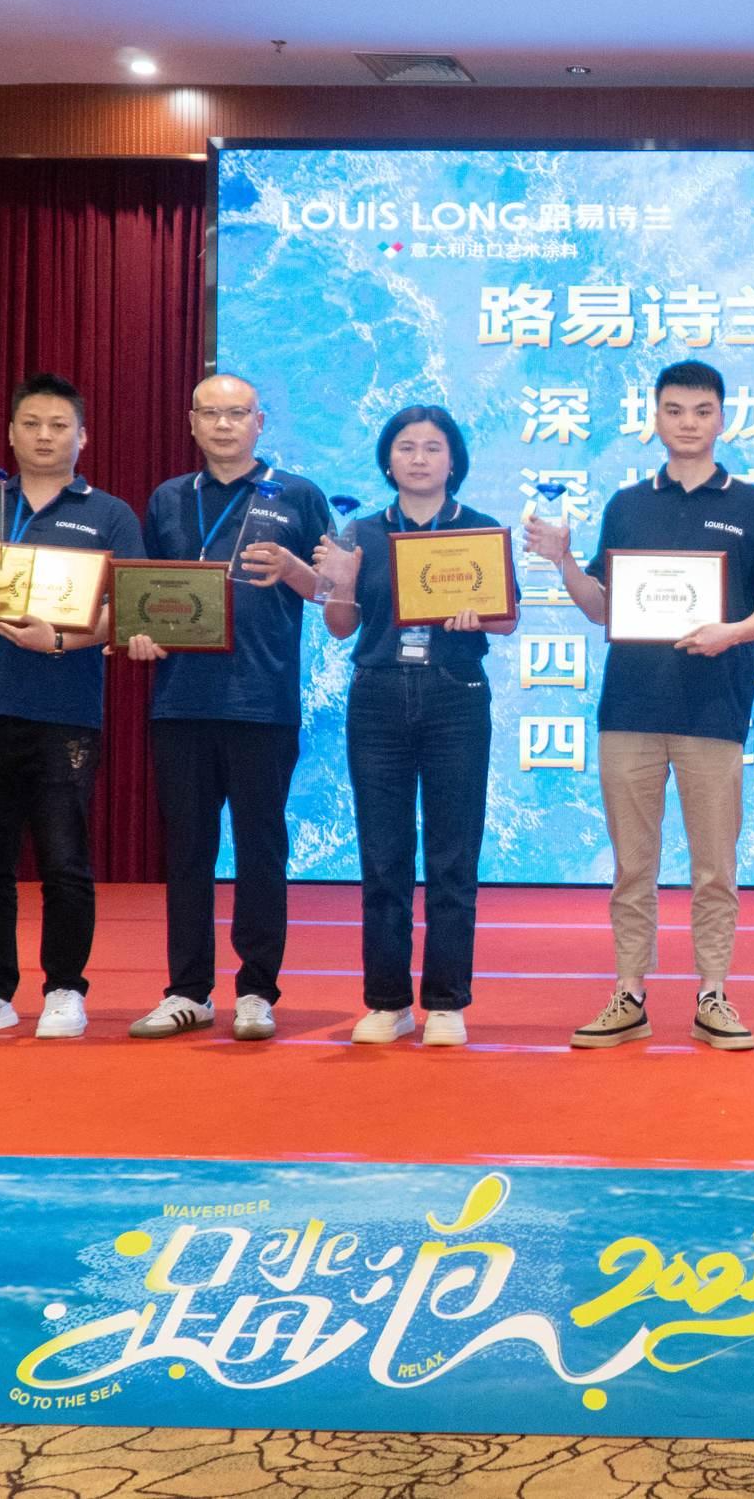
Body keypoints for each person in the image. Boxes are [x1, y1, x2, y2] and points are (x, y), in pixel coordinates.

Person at [525, 360, 754, 1052]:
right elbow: (603, 609)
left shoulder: (753, 507)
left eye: (701, 411)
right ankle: (630, 993)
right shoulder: (627, 505)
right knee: (632, 866)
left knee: (715, 868)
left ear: (722, 419)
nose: (687, 422)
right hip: (630, 710)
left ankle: (713, 994)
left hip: (714, 710)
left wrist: (729, 632)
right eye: (674, 410)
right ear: (655, 417)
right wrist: (564, 563)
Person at [0, 372, 145, 1040]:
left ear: (83, 437)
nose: (45, 436)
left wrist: (62, 640)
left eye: (58, 425)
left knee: (64, 860)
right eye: (31, 424)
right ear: (12, 433)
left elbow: (129, 611)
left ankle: (65, 989)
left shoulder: (109, 514)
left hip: (64, 709)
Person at [125, 374, 331, 1045]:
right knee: (187, 850)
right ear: (191, 422)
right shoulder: (168, 498)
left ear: (259, 422)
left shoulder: (298, 494)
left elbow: (335, 595)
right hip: (180, 699)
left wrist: (294, 568)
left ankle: (256, 991)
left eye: (236, 413)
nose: (223, 424)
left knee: (261, 848)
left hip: (262, 700)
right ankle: (187, 991)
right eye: (210, 413)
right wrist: (140, 632)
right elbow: (144, 592)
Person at [312, 405, 516, 1047]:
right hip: (377, 696)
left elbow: (508, 620)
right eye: (406, 447)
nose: (419, 458)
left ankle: (447, 1002)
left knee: (454, 855)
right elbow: (340, 627)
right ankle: (388, 1001)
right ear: (387, 459)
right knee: (383, 856)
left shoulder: (479, 530)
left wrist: (478, 616)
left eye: (433, 447)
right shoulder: (359, 532)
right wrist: (341, 583)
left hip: (456, 695)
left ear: (454, 460)